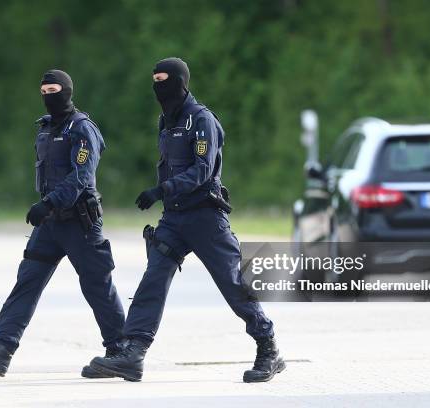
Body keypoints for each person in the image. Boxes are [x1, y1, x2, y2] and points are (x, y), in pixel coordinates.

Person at [88, 58, 284, 383]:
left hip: (206, 218)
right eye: (153, 80)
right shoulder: (165, 122)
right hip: (174, 219)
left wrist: (161, 189)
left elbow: (203, 169)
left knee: (233, 283)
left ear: (180, 81)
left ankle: (268, 347)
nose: (157, 86)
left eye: (163, 79)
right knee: (153, 279)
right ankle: (133, 353)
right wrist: (165, 196)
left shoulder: (201, 120)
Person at [0, 69, 125, 378]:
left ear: (68, 91)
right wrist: (47, 206)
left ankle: (120, 351)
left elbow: (81, 177)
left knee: (97, 284)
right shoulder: (45, 129)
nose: (48, 95)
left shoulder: (82, 129)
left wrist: (49, 202)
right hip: (49, 225)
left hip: (79, 223)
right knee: (27, 282)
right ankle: (1, 349)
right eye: (44, 90)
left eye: (54, 89)